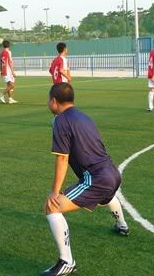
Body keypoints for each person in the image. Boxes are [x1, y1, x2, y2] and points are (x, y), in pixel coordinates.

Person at [41, 83, 129, 276]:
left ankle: (67, 262)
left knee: (51, 207)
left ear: (54, 101)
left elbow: (62, 158)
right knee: (106, 196)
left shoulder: (61, 121)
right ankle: (122, 225)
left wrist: (55, 191)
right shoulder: (84, 116)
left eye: (49, 100)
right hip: (112, 173)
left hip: (97, 177)